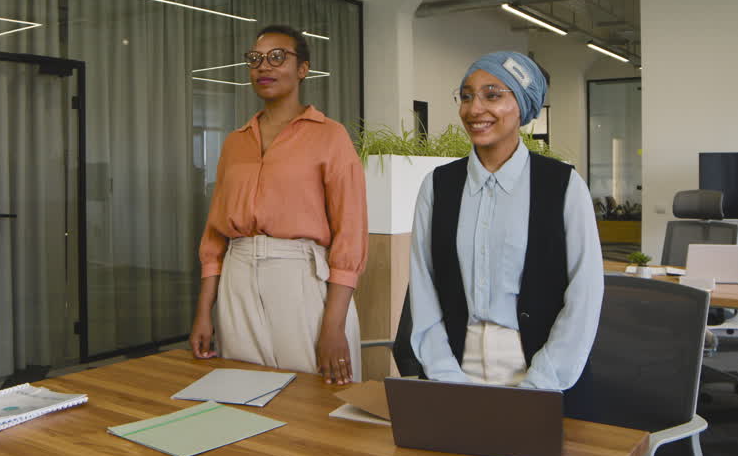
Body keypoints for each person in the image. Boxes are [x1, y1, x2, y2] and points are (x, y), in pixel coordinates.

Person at [408, 51, 602, 417]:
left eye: (493, 95)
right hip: (451, 369)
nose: (474, 108)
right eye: (466, 96)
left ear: (523, 106)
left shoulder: (563, 185)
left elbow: (585, 295)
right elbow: (423, 287)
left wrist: (539, 386)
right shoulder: (438, 186)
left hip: (542, 374)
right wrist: (446, 377)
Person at [190, 25, 367, 385]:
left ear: (303, 68)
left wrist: (334, 327)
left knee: (312, 399)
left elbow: (350, 235)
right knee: (241, 390)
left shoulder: (330, 136)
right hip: (237, 277)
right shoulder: (235, 142)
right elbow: (213, 236)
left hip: (300, 276)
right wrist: (204, 312)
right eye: (255, 59)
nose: (263, 67)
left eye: (277, 57)